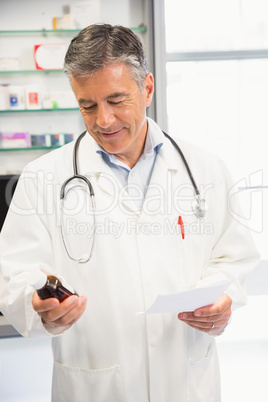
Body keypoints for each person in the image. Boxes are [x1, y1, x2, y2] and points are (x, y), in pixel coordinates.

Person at [0, 24, 259, 402]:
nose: (103, 120)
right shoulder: (43, 179)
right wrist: (37, 306)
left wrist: (223, 301)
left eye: (117, 100)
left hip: (186, 382)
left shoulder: (205, 168)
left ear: (148, 88)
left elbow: (233, 259)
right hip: (95, 386)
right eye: (87, 105)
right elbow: (14, 275)